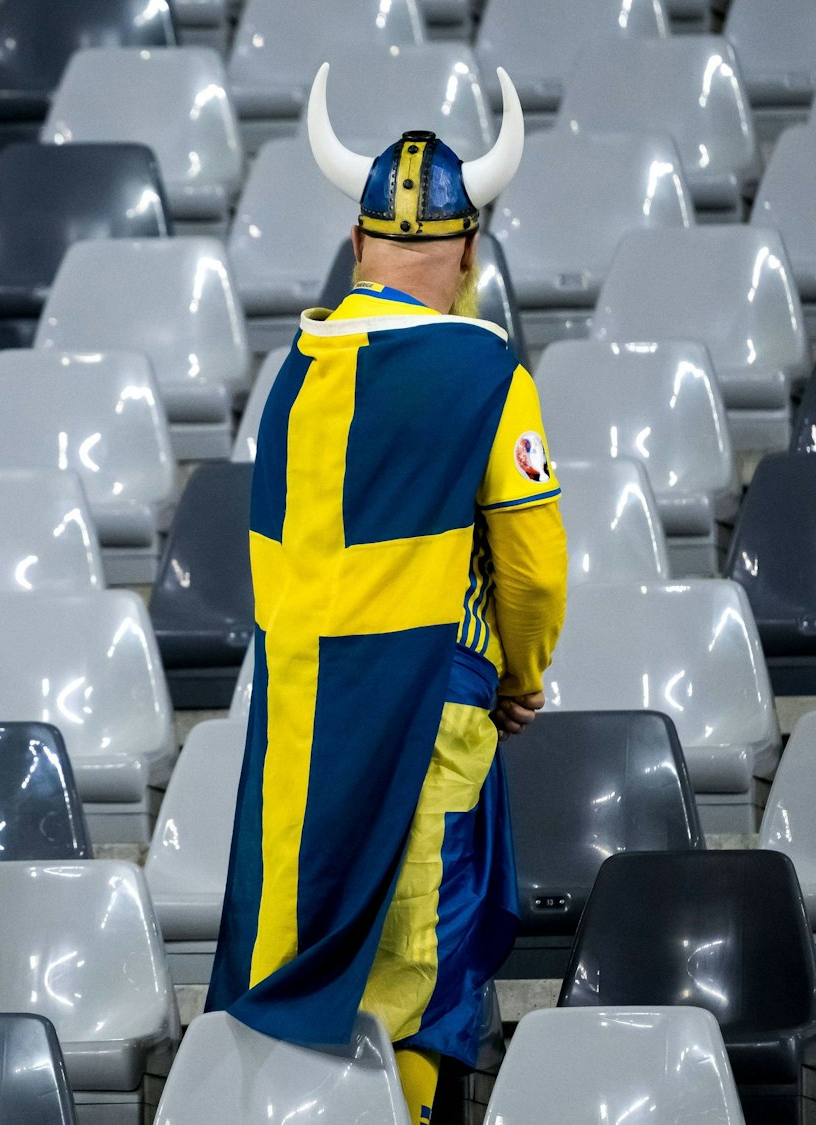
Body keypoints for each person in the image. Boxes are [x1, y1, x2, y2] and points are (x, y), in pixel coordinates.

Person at [208, 62, 569, 1123]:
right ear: (467, 251)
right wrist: (519, 676)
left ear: (359, 243)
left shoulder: (295, 377)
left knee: (312, 964)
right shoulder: (489, 375)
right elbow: (532, 569)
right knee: (418, 970)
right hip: (430, 722)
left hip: (302, 731)